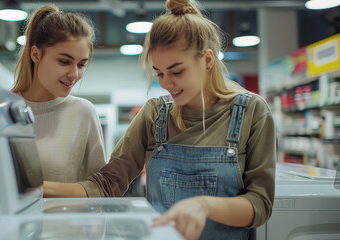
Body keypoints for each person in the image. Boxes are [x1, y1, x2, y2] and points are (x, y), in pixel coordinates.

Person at [43, 0, 276, 239]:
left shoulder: (252, 112)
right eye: (159, 73)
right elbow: (107, 183)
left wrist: (204, 206)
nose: (166, 83)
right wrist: (37, 190)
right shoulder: (155, 114)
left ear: (207, 60)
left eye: (177, 71)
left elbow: (260, 203)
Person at [11, 5, 106, 183]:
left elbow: (98, 191)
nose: (74, 74)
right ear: (36, 55)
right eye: (64, 61)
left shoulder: (83, 113)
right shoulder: (1, 110)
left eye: (81, 64)